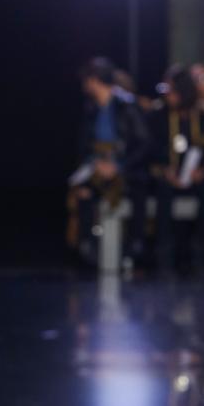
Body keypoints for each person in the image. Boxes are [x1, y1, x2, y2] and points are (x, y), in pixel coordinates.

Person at [67, 57, 151, 267]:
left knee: (136, 191)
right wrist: (95, 164)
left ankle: (134, 245)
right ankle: (87, 245)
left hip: (127, 169)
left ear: (94, 80)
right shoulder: (91, 109)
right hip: (97, 168)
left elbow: (143, 144)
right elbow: (84, 146)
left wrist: (118, 166)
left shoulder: (127, 106)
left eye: (87, 80)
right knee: (83, 191)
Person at [148, 64, 204, 273]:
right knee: (163, 189)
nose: (168, 95)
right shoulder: (160, 115)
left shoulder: (203, 115)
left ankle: (201, 249)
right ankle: (164, 250)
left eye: (172, 90)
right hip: (168, 175)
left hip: (196, 175)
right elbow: (152, 148)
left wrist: (203, 170)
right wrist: (166, 170)